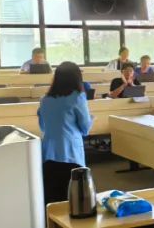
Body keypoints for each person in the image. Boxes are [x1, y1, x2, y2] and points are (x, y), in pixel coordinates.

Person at [37, 62, 92, 204]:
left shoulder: (44, 100)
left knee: (52, 195)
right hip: (70, 152)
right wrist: (91, 119)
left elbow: (42, 127)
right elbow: (85, 128)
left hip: (48, 152)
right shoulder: (77, 97)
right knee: (71, 196)